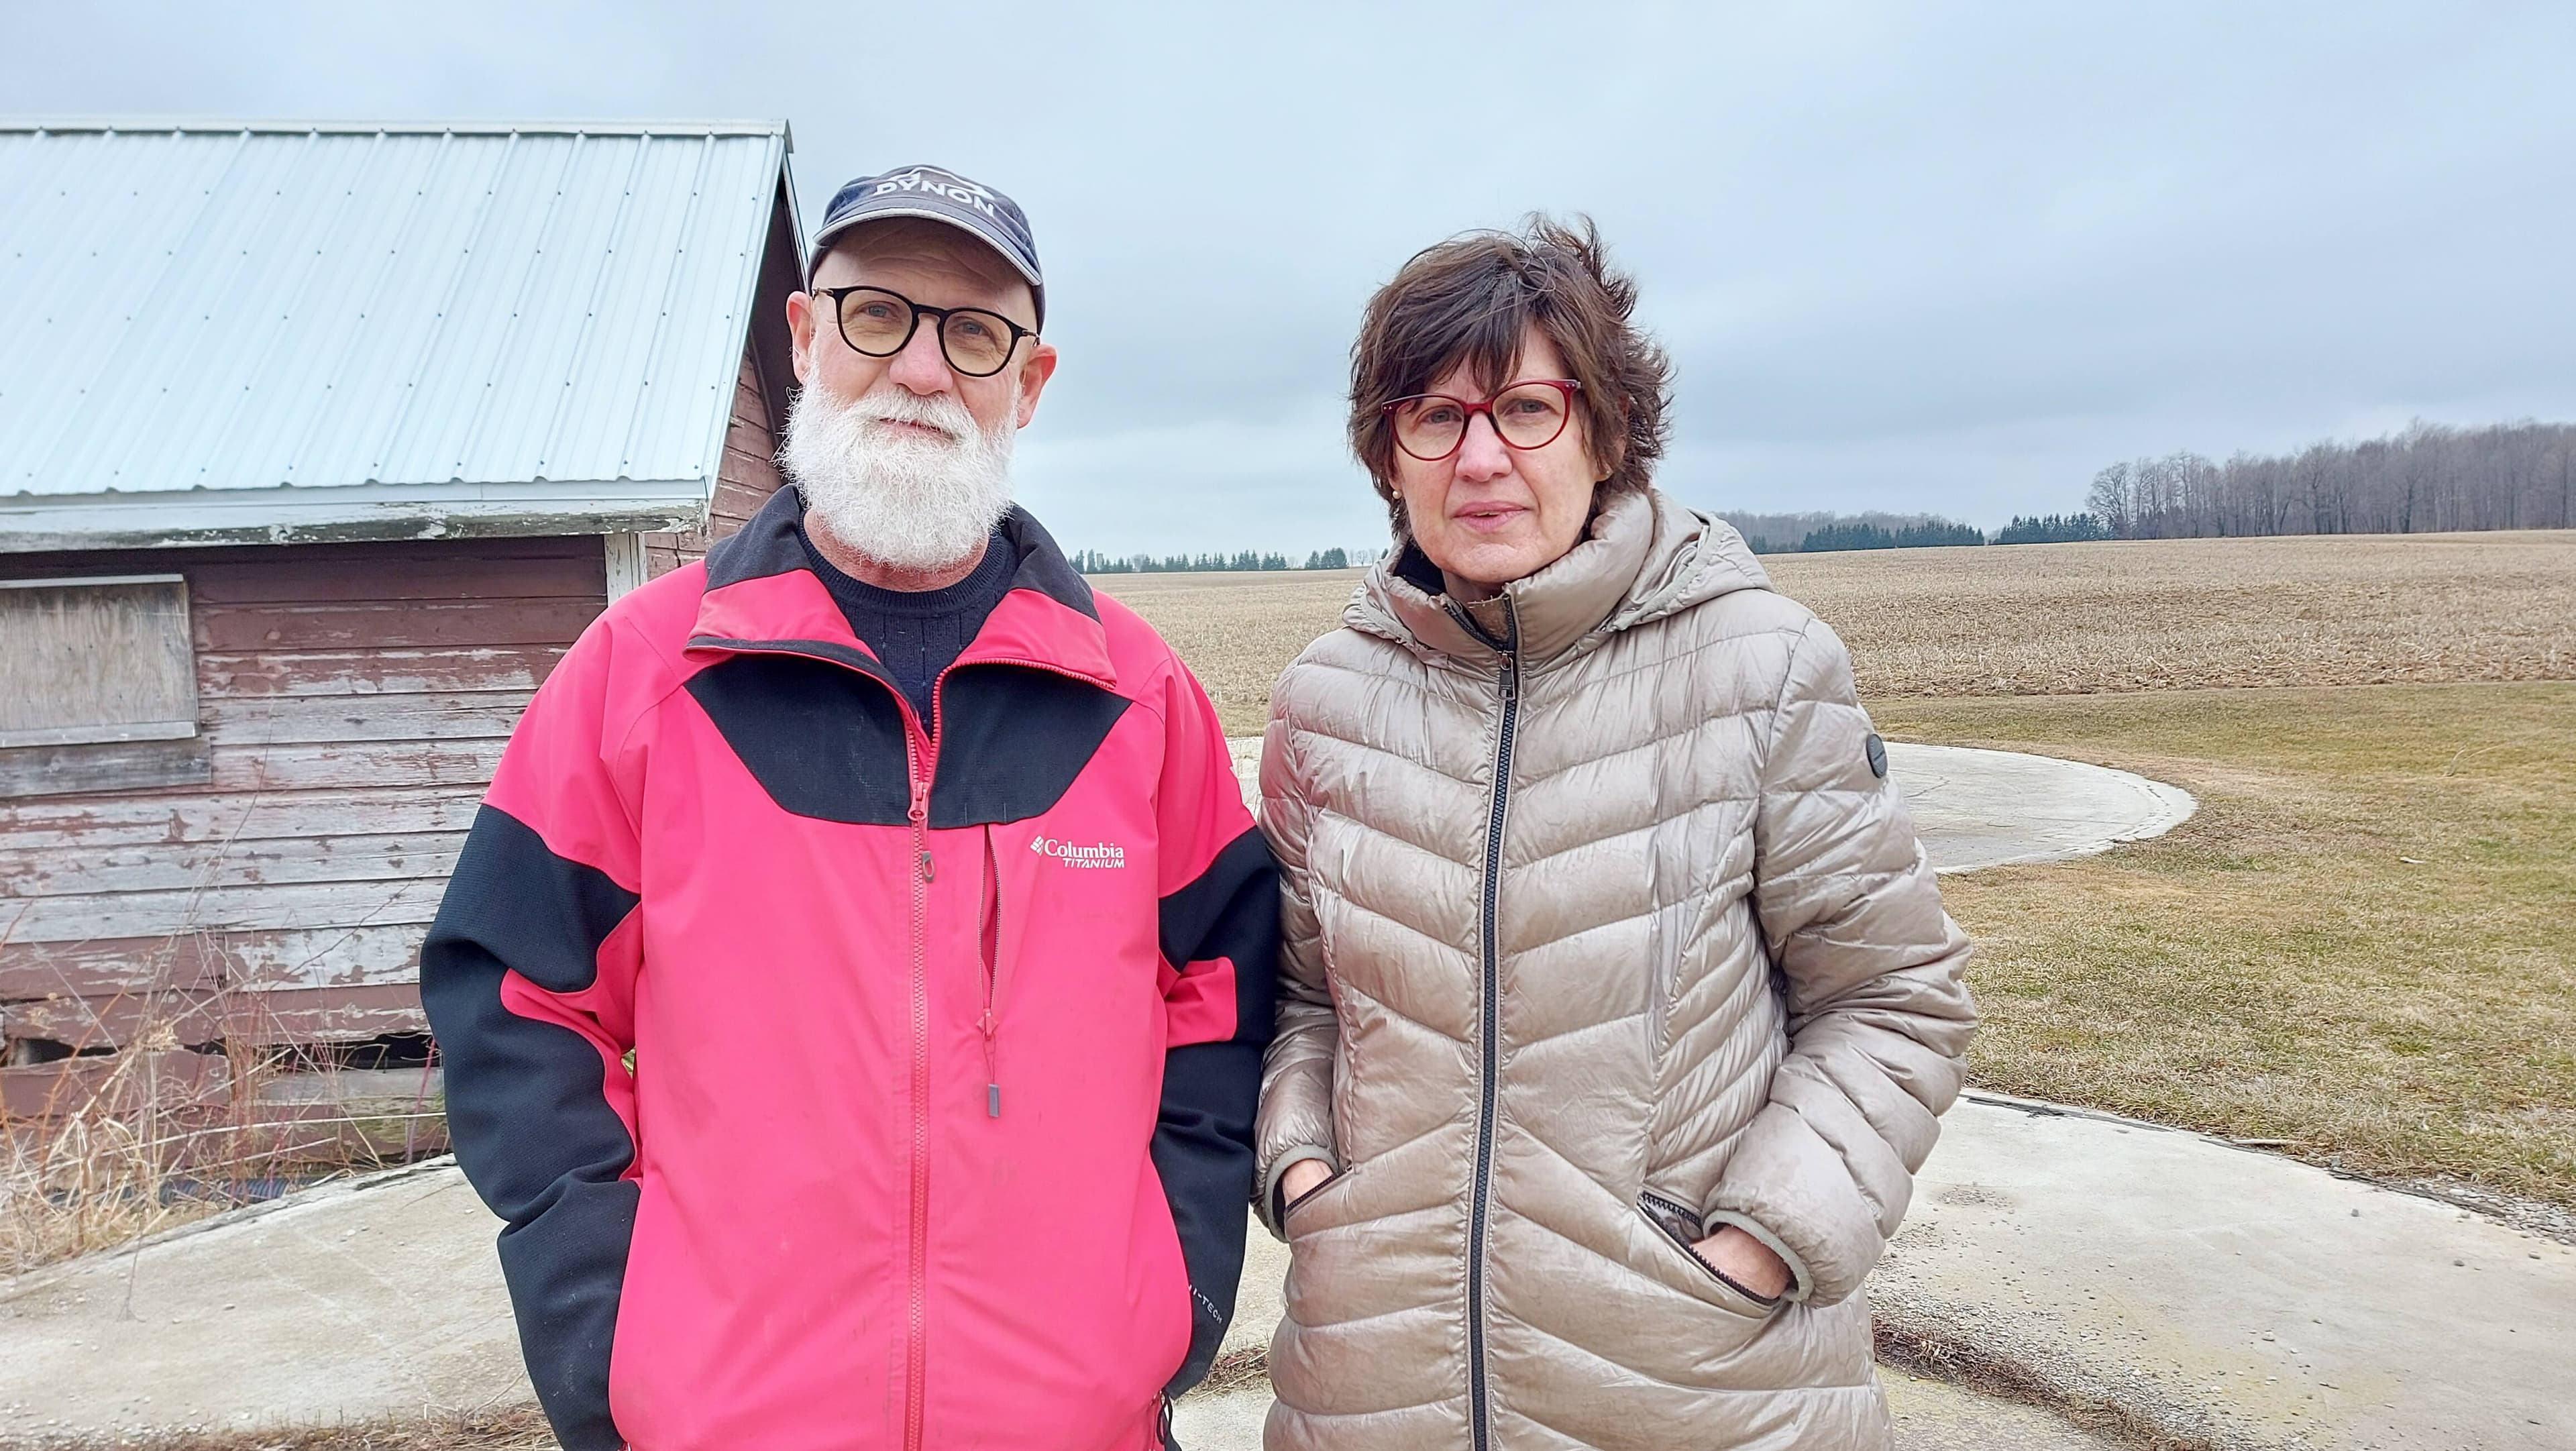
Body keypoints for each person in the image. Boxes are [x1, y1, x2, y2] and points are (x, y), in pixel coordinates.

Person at [422, 164, 1276, 1451]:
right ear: (808, 337)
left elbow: (1223, 993)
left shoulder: (1136, 697)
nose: (922, 371)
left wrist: (1176, 1279)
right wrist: (613, 1333)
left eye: (974, 332)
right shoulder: (648, 675)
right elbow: (514, 999)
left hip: (1076, 1422)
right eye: (878, 314)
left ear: (1029, 384)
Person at [1252, 217, 1978, 1450]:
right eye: (1434, 416)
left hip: (1699, 1386)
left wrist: (1765, 1239)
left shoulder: (1759, 667)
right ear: (1390, 456)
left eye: (1527, 409)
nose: (1480, 458)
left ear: (1605, 430)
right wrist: (1313, 1180)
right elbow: (1305, 999)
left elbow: (1895, 996)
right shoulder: (1327, 700)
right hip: (1376, 1391)